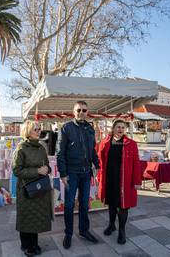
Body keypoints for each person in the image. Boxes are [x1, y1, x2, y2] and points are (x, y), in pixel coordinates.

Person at [56, 100, 100, 249]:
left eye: (84, 110)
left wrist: (97, 165)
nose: (81, 112)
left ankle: (84, 231)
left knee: (84, 205)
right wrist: (63, 173)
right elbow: (60, 153)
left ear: (87, 112)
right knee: (69, 205)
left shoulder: (90, 129)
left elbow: (92, 150)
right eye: (78, 110)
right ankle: (68, 234)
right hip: (71, 174)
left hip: (86, 173)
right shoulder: (66, 128)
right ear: (73, 112)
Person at [97, 119, 142, 244]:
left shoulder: (131, 144)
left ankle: (122, 230)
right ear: (113, 128)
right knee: (111, 203)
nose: (120, 129)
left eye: (123, 127)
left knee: (123, 206)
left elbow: (136, 164)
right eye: (118, 127)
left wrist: (137, 181)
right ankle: (111, 225)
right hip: (110, 178)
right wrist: (99, 175)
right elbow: (100, 161)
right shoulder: (105, 142)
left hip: (124, 180)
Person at [12, 120, 52, 256]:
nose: (39, 131)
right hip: (26, 189)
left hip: (39, 189)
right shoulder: (21, 149)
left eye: (39, 128)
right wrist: (37, 171)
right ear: (28, 132)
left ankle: (34, 244)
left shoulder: (41, 147)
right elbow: (17, 171)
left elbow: (46, 164)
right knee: (26, 217)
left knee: (36, 217)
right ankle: (26, 246)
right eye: (36, 129)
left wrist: (48, 169)